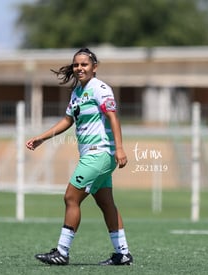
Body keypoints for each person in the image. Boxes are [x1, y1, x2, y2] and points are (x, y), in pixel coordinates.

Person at [25, 48, 133, 266]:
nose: (79, 68)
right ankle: (122, 253)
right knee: (106, 203)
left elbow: (113, 117)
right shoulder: (76, 93)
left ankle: (62, 252)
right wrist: (42, 138)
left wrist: (119, 148)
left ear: (94, 67)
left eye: (84, 64)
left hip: (99, 153)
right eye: (76, 65)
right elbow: (67, 121)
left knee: (71, 198)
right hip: (95, 155)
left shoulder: (99, 88)